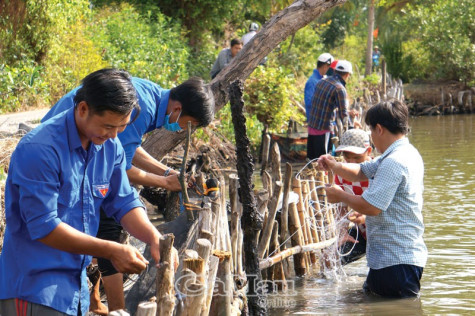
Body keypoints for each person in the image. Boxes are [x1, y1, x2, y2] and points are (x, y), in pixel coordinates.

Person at [42, 70, 214, 312]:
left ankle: (95, 297)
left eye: (119, 129)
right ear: (177, 109)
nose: (186, 130)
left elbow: (123, 154)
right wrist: (164, 182)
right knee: (108, 227)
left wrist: (166, 173)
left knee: (108, 219)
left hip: (80, 147)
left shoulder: (149, 103)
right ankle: (116, 307)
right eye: (190, 125)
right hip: (66, 149)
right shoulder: (138, 107)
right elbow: (120, 166)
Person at [0, 69, 166, 315]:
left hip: (73, 288)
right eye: (108, 126)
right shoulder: (40, 149)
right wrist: (110, 249)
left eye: (121, 127)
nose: (113, 135)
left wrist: (153, 237)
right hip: (34, 287)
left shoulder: (109, 146)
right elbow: (44, 225)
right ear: (83, 109)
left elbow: (123, 201)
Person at [318, 99, 427, 298]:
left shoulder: (394, 162)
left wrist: (340, 195)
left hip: (395, 259)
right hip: (391, 258)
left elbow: (371, 207)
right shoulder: (403, 153)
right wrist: (334, 165)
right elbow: (361, 171)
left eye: (370, 130)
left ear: (379, 129)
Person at [332, 129, 372, 265]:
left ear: (369, 151)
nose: (351, 162)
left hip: (382, 233)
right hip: (362, 233)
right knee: (330, 259)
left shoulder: (378, 172)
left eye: (357, 158)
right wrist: (343, 232)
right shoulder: (341, 174)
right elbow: (341, 208)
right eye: (347, 158)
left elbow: (385, 207)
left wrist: (366, 216)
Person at [307, 60, 352, 160]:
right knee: (324, 162)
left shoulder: (321, 81)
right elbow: (343, 114)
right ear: (347, 74)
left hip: (312, 127)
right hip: (324, 130)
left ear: (335, 71)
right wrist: (351, 129)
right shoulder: (339, 88)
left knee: (313, 161)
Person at [304, 53, 334, 120]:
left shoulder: (323, 79)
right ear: (325, 66)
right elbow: (309, 103)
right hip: (316, 123)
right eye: (330, 67)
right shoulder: (312, 82)